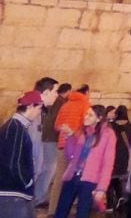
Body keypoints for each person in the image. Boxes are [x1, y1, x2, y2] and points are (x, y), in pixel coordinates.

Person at [55, 105, 115, 218]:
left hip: (90, 180)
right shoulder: (82, 131)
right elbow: (70, 155)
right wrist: (70, 136)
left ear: (99, 118)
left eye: (90, 115)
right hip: (72, 176)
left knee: (82, 213)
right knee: (60, 212)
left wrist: (101, 188)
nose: (86, 117)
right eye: (86, 114)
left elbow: (108, 163)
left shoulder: (108, 134)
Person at [0, 91, 45, 218]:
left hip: (13, 194)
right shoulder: (15, 128)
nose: (39, 113)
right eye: (39, 108)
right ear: (30, 106)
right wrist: (27, 182)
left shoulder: (16, 127)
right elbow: (14, 162)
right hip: (11, 195)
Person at [51, 84, 91, 215]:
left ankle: (53, 210)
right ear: (86, 93)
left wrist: (65, 131)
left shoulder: (65, 105)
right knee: (73, 180)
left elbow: (56, 125)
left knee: (59, 179)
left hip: (62, 144)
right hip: (76, 146)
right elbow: (87, 127)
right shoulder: (85, 105)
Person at [29, 77, 58, 209]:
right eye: (55, 91)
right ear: (46, 92)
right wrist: (35, 166)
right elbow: (31, 141)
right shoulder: (33, 111)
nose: (56, 95)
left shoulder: (39, 111)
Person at [38, 82, 68, 209]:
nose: (56, 94)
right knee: (48, 170)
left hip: (46, 138)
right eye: (54, 91)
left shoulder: (53, 104)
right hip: (51, 139)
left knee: (45, 168)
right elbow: (56, 122)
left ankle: (38, 197)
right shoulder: (60, 103)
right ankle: (39, 197)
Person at [108, 106, 131, 211]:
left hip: (113, 154)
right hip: (125, 155)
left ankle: (109, 204)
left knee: (111, 178)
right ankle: (122, 198)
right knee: (122, 177)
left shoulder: (111, 126)